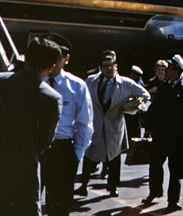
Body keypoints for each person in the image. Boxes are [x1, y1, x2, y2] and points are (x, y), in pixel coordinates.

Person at [0, 37, 63, 216]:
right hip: (24, 169)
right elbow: (44, 142)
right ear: (51, 67)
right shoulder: (51, 98)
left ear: (26, 57)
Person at [75, 51, 150, 198]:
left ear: (116, 66)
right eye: (105, 66)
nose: (108, 68)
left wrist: (131, 107)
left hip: (114, 127)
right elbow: (81, 97)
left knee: (114, 159)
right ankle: (83, 185)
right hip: (96, 125)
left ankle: (113, 187)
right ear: (100, 67)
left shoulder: (126, 83)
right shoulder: (91, 81)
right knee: (90, 156)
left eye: (111, 65)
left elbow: (145, 95)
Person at [40, 34, 93, 216]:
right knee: (29, 203)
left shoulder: (77, 86)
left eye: (58, 57)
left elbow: (84, 124)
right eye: (50, 57)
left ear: (67, 58)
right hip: (35, 147)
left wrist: (76, 156)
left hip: (62, 150)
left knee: (59, 206)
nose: (53, 62)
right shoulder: (35, 82)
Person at [143, 54, 183, 211]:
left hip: (177, 137)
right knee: (155, 164)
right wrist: (148, 128)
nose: (167, 70)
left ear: (177, 70)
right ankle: (154, 192)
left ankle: (173, 201)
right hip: (160, 134)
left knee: (175, 169)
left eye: (170, 68)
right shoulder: (164, 86)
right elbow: (154, 109)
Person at [125, 65, 145, 139]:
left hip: (134, 114)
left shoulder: (138, 84)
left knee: (134, 136)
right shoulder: (132, 83)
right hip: (129, 114)